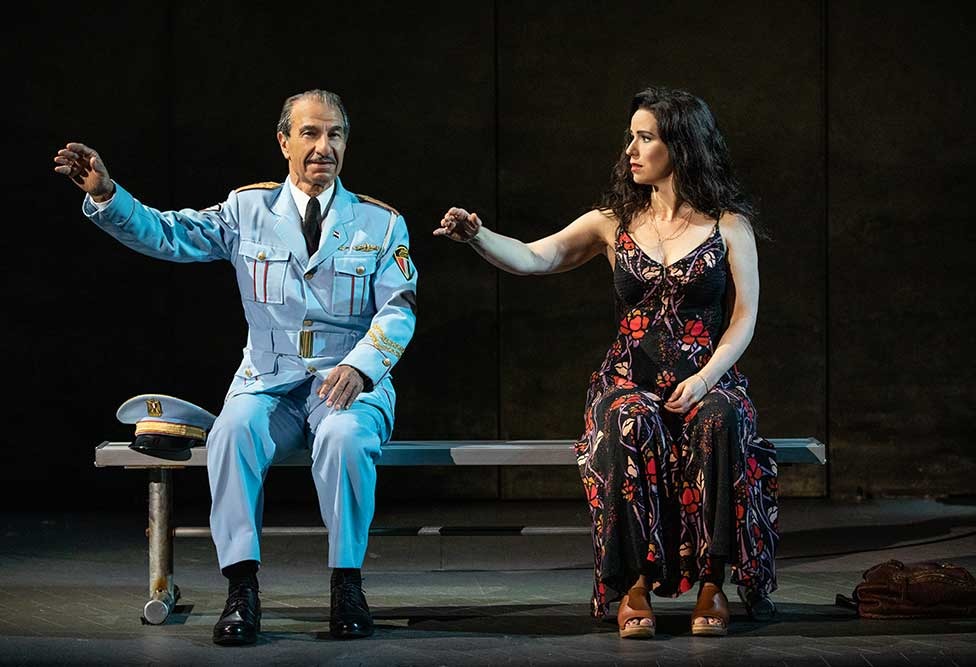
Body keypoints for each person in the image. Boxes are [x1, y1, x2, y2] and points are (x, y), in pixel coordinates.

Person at [53, 89, 417, 645]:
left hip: (346, 383)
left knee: (344, 438)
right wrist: (106, 194)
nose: (323, 147)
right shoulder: (247, 211)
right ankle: (241, 589)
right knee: (231, 433)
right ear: (284, 142)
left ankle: (347, 585)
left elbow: (399, 310)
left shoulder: (380, 223)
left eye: (335, 134)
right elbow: (169, 234)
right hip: (267, 383)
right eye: (310, 133)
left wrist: (363, 367)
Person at [435, 87, 778, 639]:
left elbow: (745, 316)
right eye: (630, 138)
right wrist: (479, 235)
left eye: (645, 138)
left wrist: (704, 378)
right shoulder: (612, 223)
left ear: (681, 146)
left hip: (706, 377)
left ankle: (712, 583)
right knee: (627, 419)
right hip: (629, 379)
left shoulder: (727, 226)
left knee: (719, 418)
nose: (631, 151)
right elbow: (534, 257)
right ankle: (633, 584)